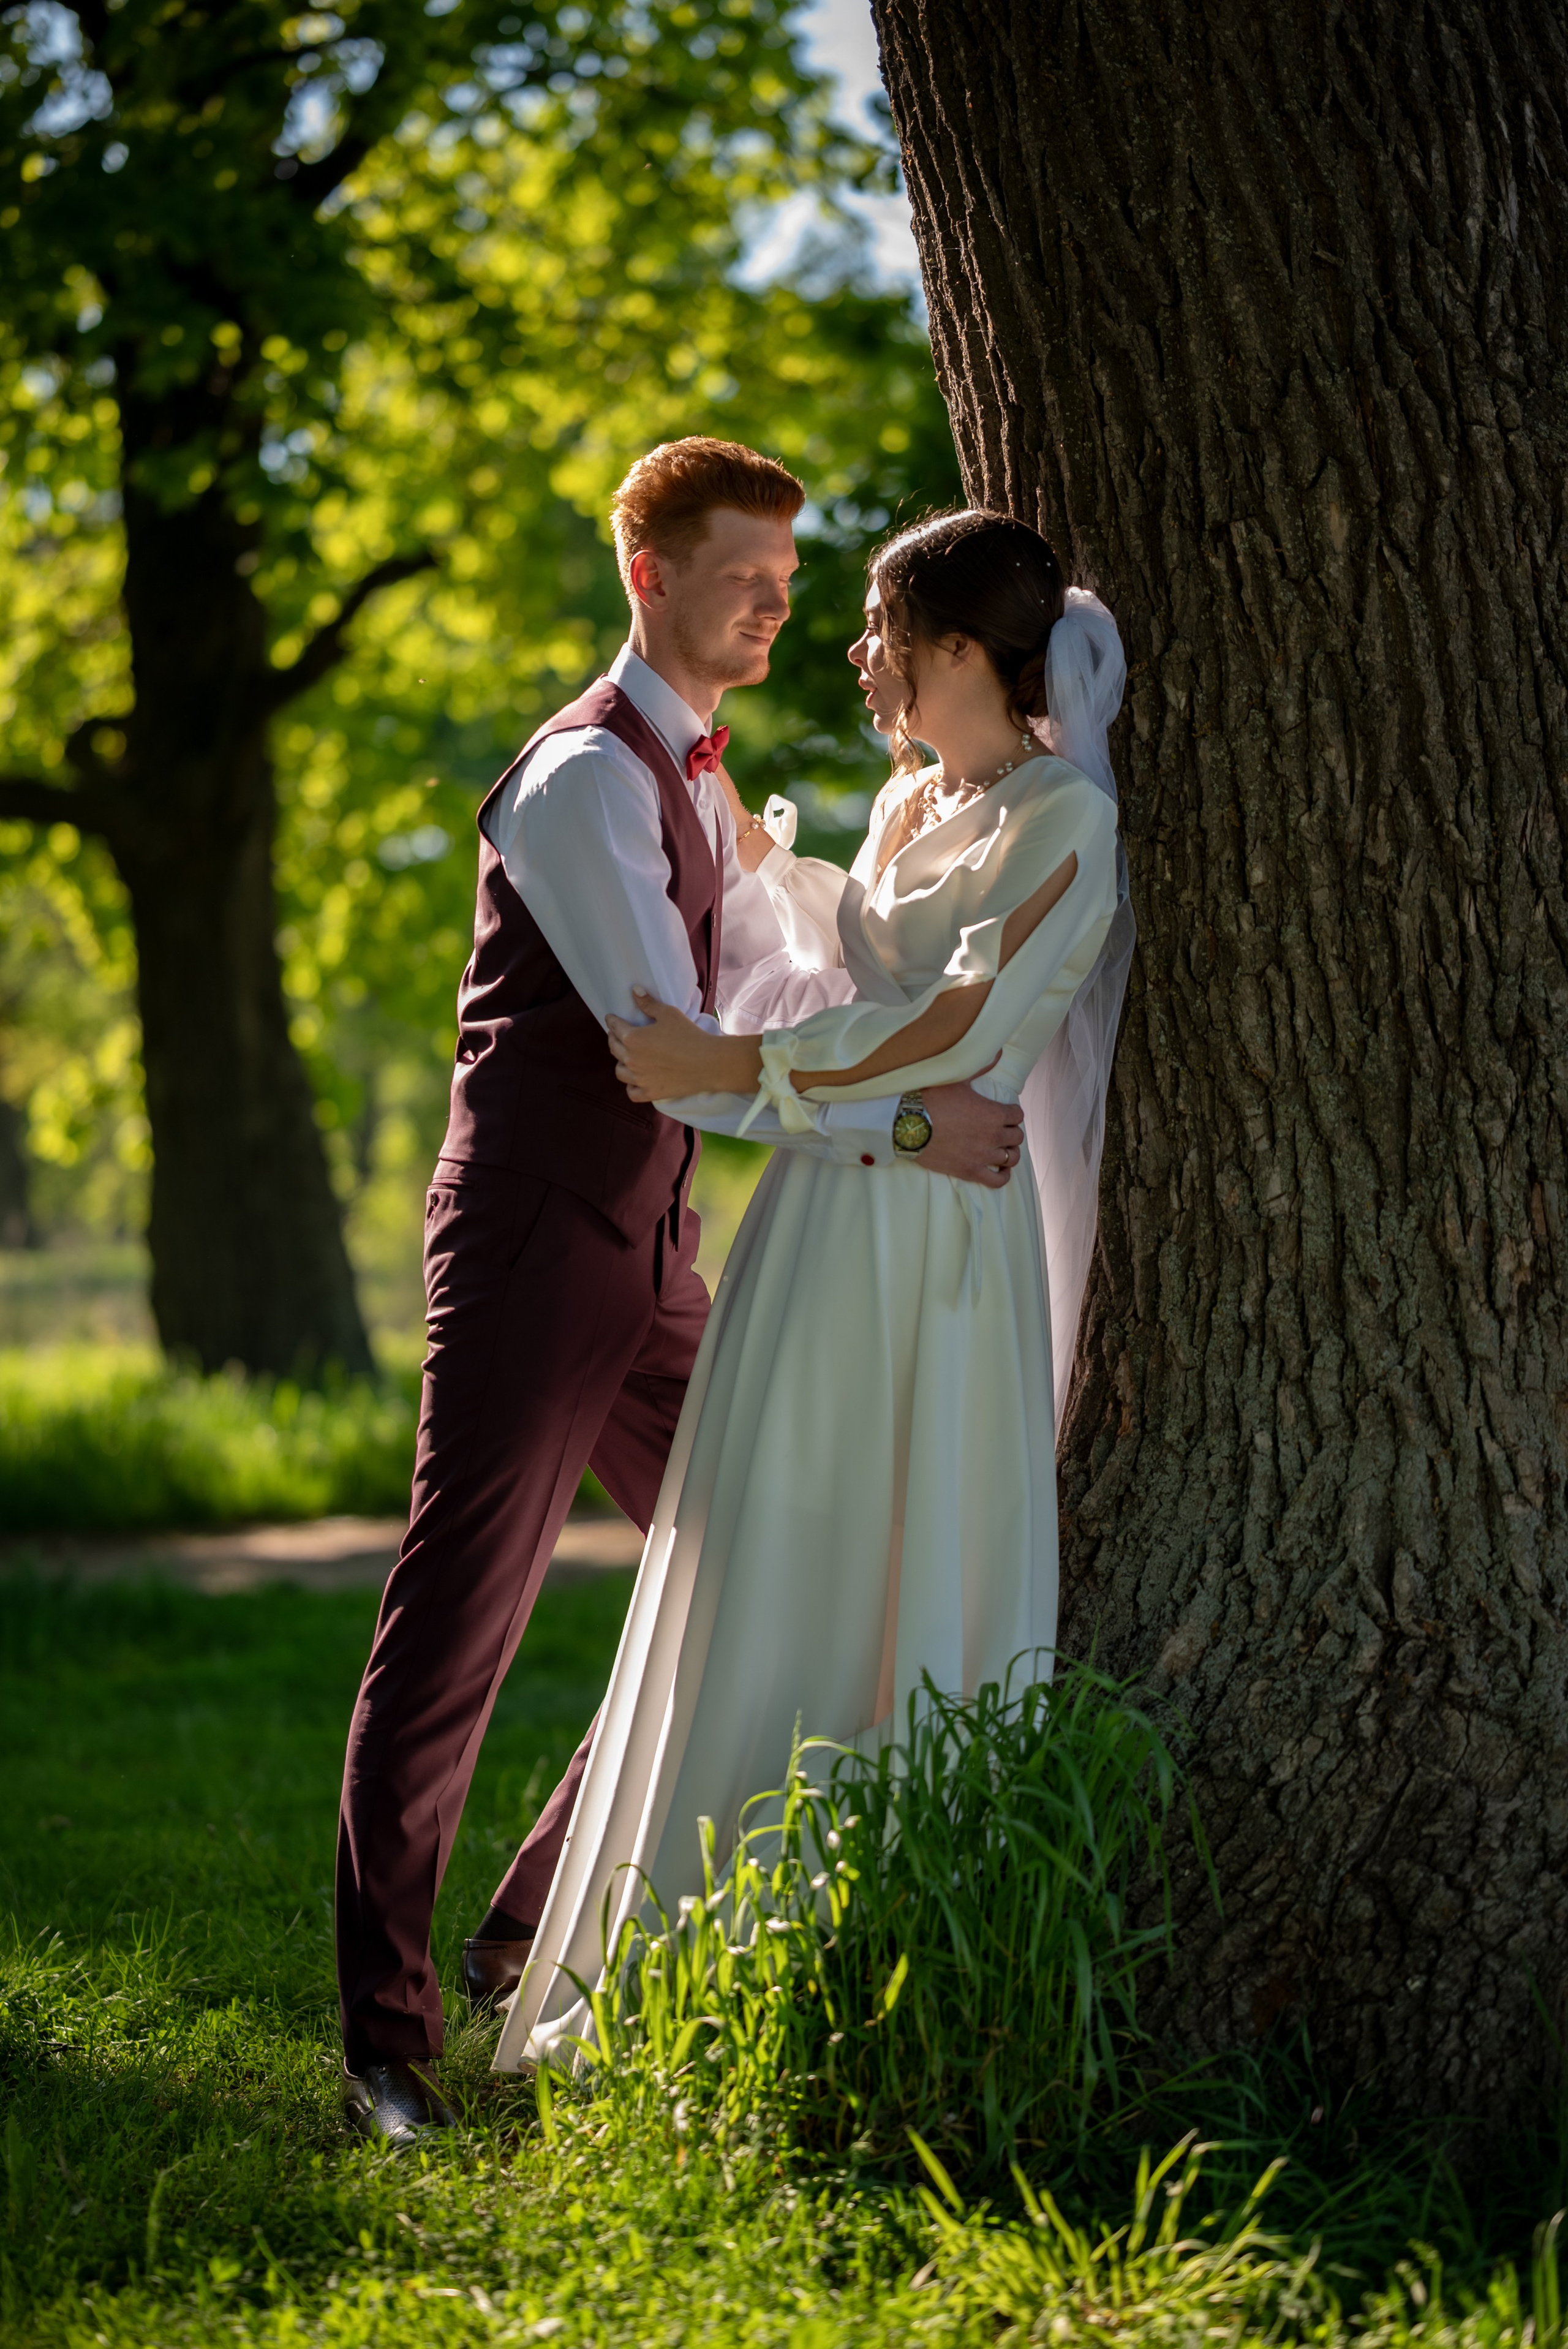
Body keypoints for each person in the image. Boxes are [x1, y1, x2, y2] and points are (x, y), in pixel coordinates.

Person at [334, 444, 1028, 2145]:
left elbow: (778, 982)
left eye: (790, 582)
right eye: (742, 575)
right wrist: (911, 1123)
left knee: (743, 1549)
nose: (776, 606)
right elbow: (672, 1054)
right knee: (460, 1620)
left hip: (654, 1254)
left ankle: (519, 1936)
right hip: (530, 1237)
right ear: (647, 571)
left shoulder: (701, 779)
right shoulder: (581, 780)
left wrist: (909, 912)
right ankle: (382, 2040)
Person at [496, 507, 1134, 2075]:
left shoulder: (1060, 821)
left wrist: (743, 1065)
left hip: (935, 1241)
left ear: (961, 656)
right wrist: (769, 898)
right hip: (819, 1221)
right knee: (763, 1553)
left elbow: (964, 1026)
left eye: (878, 632)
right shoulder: (913, 800)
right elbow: (860, 976)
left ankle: (872, 1953)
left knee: (890, 1551)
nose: (855, 656)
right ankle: (677, 1960)